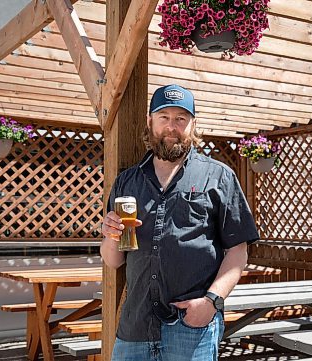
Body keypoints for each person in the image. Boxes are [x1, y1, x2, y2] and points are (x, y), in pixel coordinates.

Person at [101, 84, 259, 361]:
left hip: (191, 326)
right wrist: (111, 235)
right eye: (164, 117)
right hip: (135, 324)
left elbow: (238, 252)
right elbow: (113, 261)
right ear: (150, 121)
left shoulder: (219, 176)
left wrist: (211, 302)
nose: (171, 126)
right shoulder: (127, 181)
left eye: (180, 119)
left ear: (192, 125)